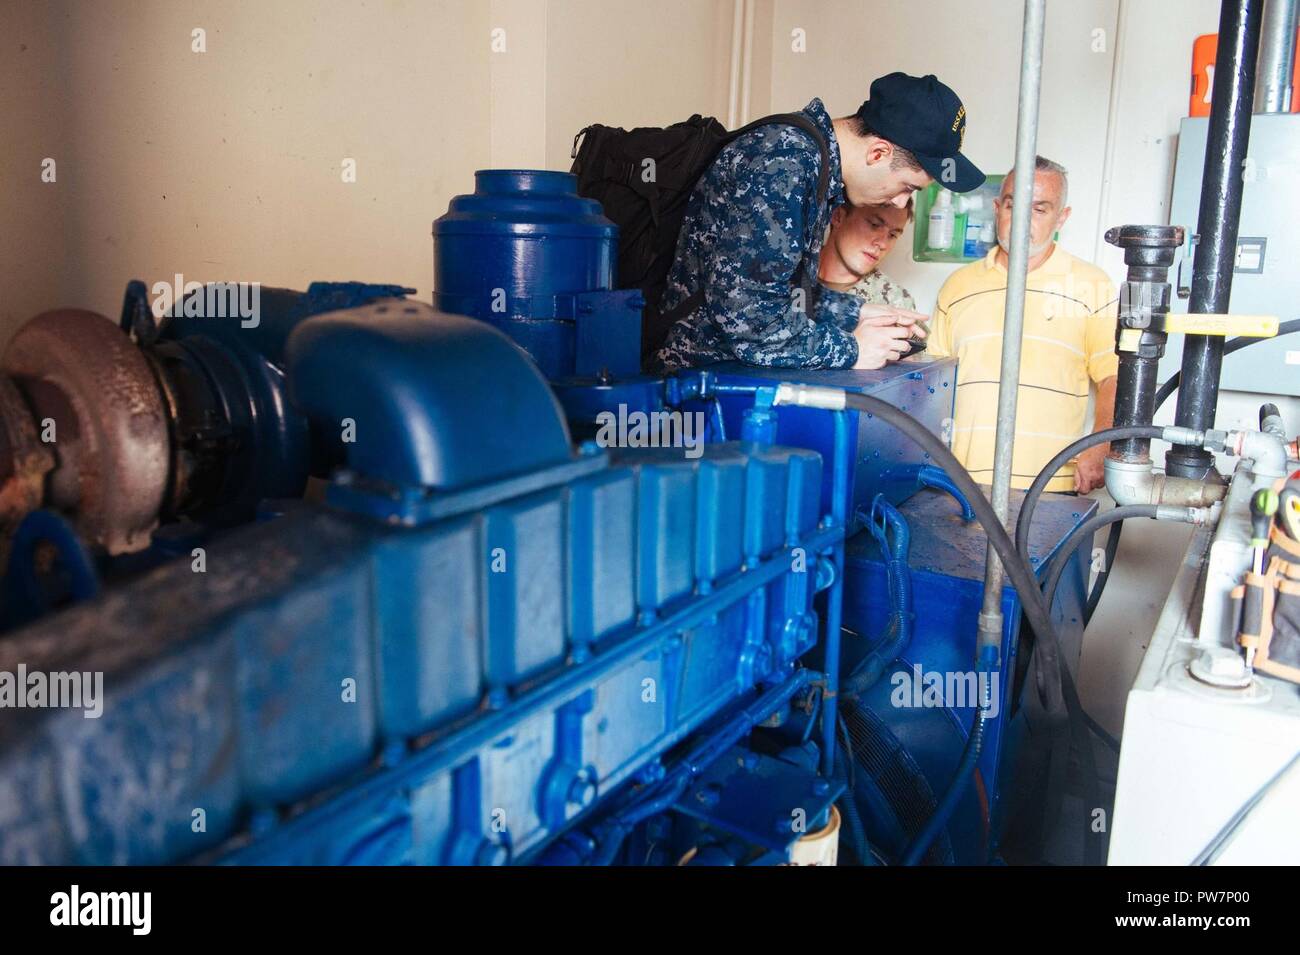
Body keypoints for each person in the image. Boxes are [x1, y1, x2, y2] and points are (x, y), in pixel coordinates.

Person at [653, 72, 984, 372]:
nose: (900, 202)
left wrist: (857, 312)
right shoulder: (785, 161)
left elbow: (780, 293)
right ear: (878, 153)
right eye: (907, 187)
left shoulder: (817, 165)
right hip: (693, 383)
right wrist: (853, 349)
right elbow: (751, 319)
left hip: (722, 378)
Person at [926, 156, 1118, 494]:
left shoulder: (1093, 286)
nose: (1021, 221)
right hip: (961, 484)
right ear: (998, 208)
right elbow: (932, 381)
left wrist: (1102, 446)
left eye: (1040, 210)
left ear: (1063, 217)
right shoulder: (957, 286)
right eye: (1014, 206)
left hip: (1050, 486)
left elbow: (1114, 377)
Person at [817, 198, 920, 362]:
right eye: (874, 225)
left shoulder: (893, 303)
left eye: (892, 235)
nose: (882, 243)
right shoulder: (785, 276)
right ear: (838, 216)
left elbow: (901, 382)